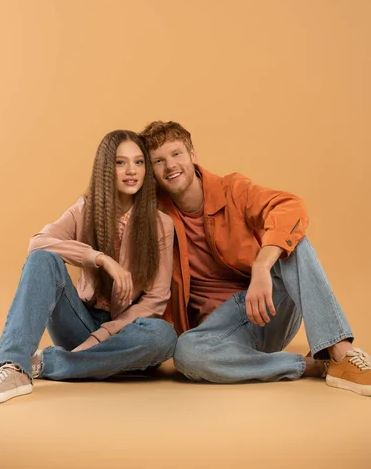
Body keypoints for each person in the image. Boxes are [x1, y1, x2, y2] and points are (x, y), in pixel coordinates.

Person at [140, 120, 371, 396]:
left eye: (176, 154)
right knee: (187, 354)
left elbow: (290, 207)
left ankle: (341, 353)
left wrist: (262, 266)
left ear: (192, 155)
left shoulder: (232, 189)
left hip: (266, 307)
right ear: (152, 172)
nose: (170, 166)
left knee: (293, 242)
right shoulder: (155, 216)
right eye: (158, 161)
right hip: (222, 333)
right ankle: (311, 366)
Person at [0, 130, 177, 405]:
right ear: (107, 168)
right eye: (120, 162)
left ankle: (47, 364)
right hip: (78, 321)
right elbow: (39, 242)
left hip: (123, 332)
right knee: (42, 259)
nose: (131, 171)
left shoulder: (160, 224)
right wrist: (100, 258)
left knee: (163, 337)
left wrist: (102, 335)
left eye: (139, 162)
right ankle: (14, 367)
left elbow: (156, 299)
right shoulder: (86, 208)